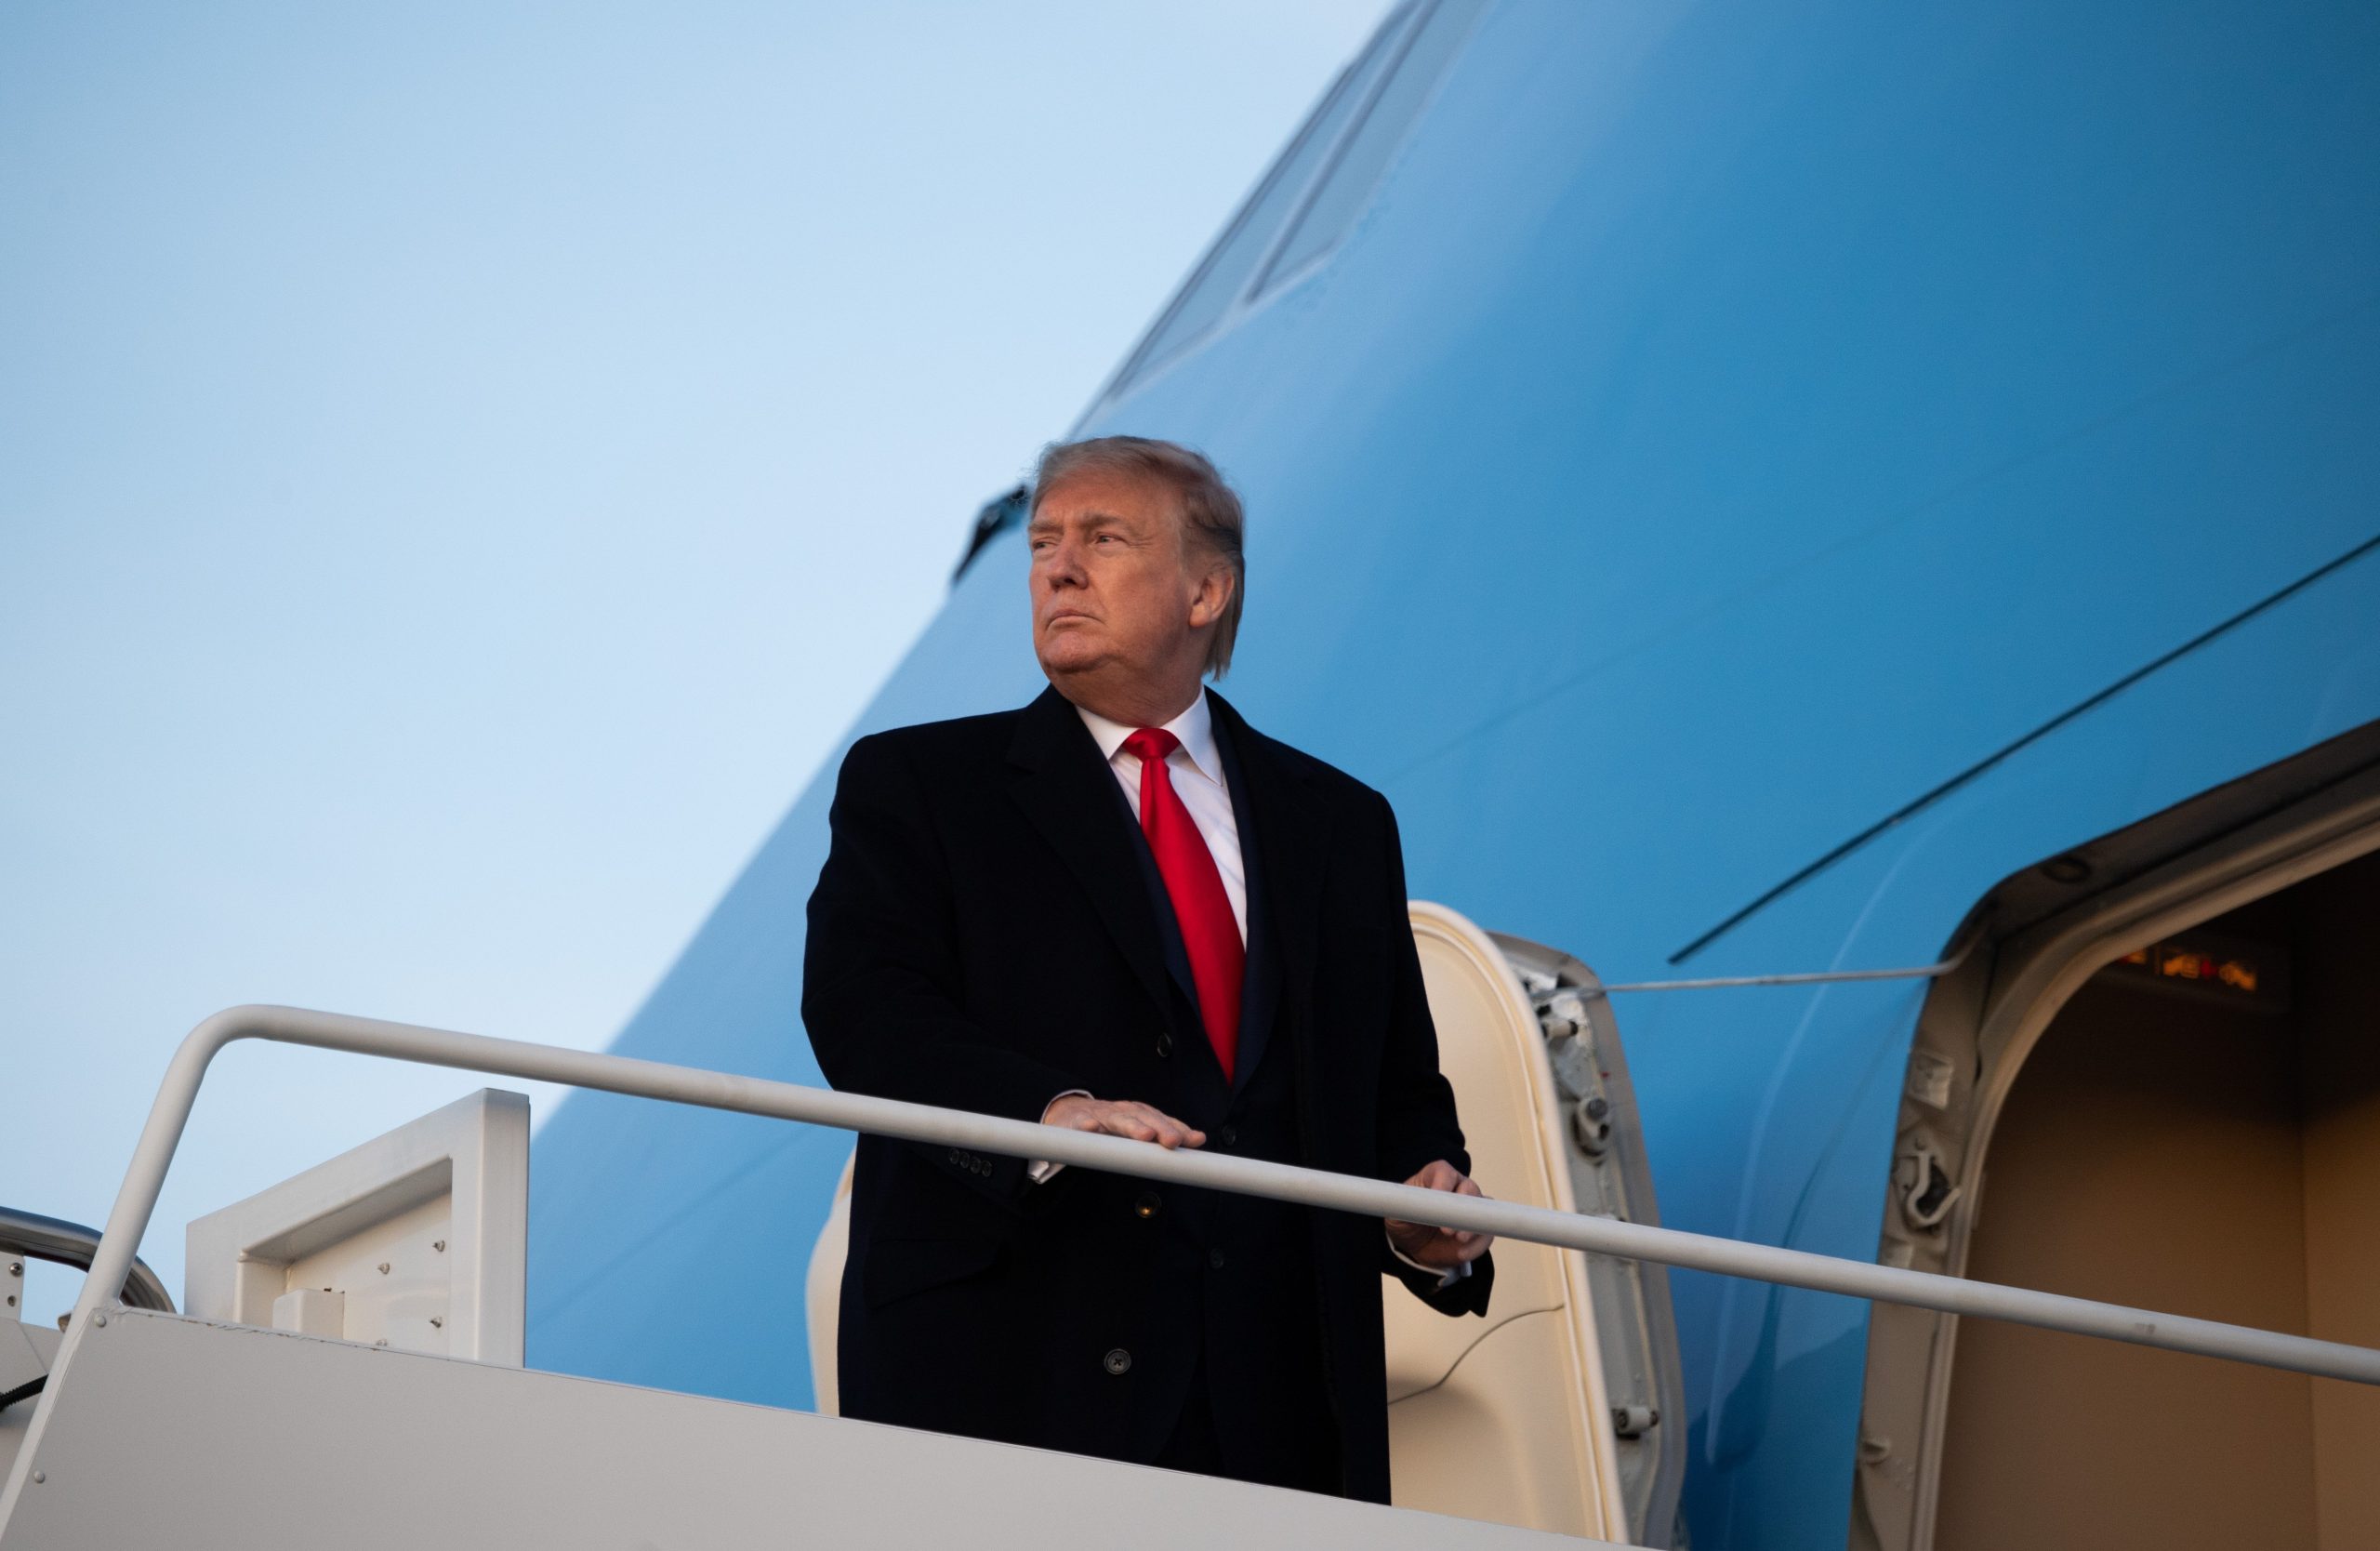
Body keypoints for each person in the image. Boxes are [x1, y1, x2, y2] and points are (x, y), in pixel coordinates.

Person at [801, 435, 1493, 1502]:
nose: (1056, 569)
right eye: (1042, 544)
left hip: (1282, 1415)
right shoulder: (921, 782)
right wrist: (1043, 1109)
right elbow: (861, 1009)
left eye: (1103, 538)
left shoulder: (1340, 825)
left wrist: (1428, 1217)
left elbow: (1396, 1089)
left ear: (1205, 589)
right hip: (1009, 1386)